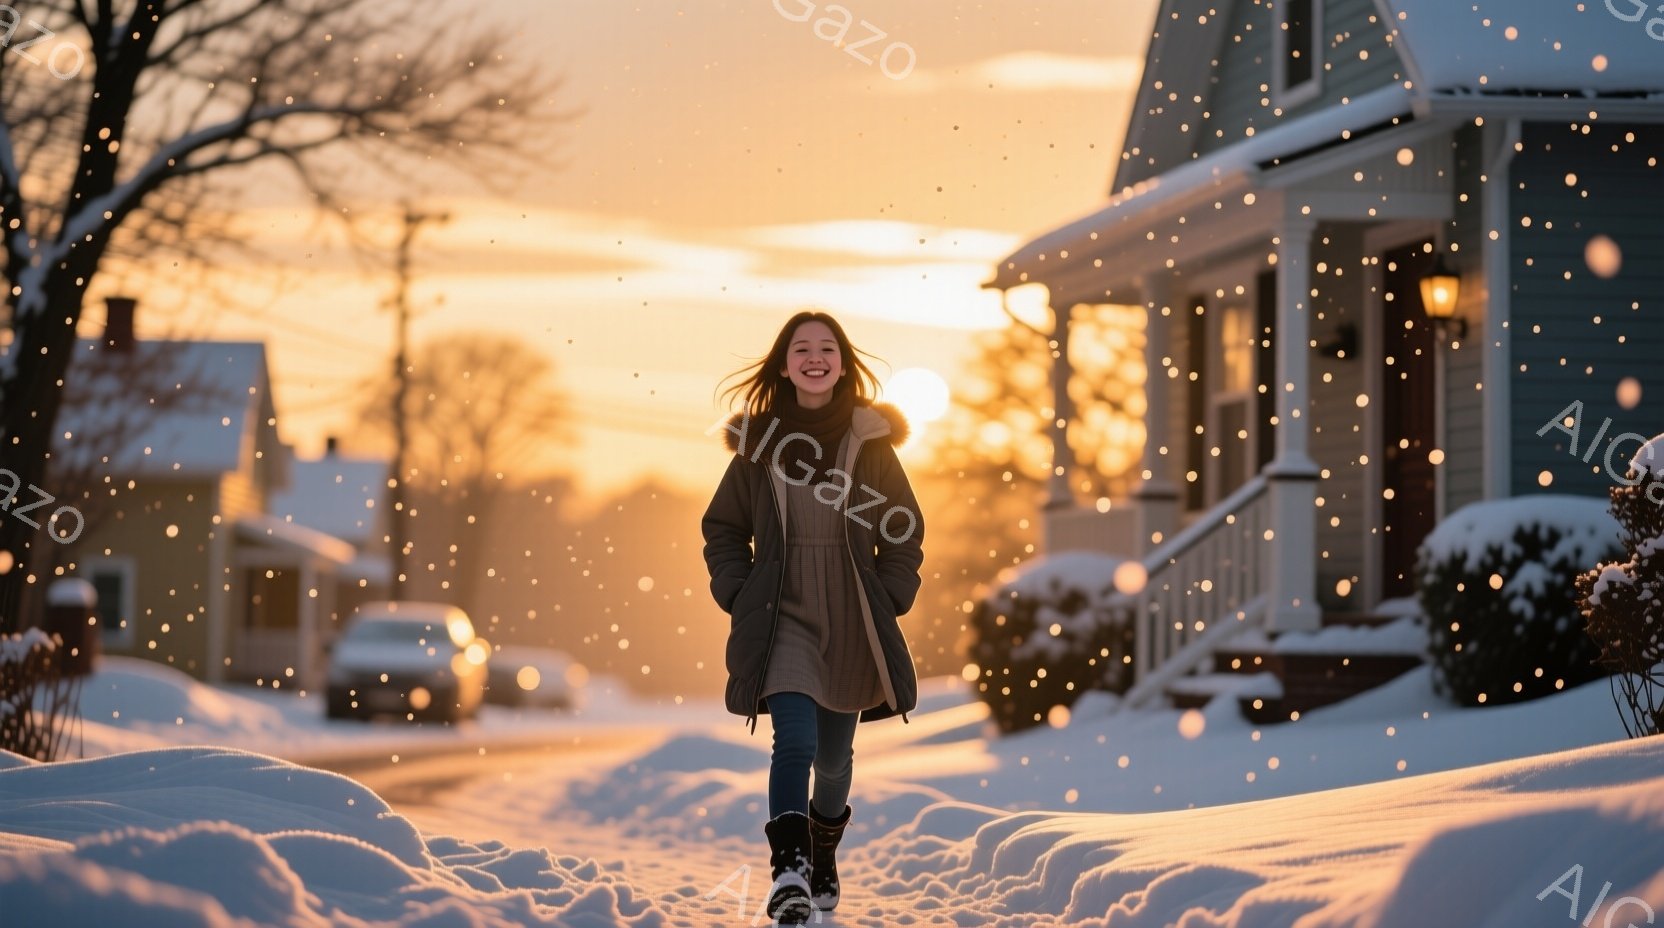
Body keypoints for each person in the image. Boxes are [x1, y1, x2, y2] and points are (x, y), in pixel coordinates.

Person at [701, 311, 925, 925]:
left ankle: (823, 851)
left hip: (852, 613)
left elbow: (903, 529)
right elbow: (723, 528)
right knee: (793, 741)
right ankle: (790, 873)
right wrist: (738, 589)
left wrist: (891, 593)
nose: (815, 356)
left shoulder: (871, 443)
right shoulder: (758, 446)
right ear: (784, 363)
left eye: (827, 348)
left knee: (833, 760)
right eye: (802, 348)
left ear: (843, 363)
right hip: (783, 612)